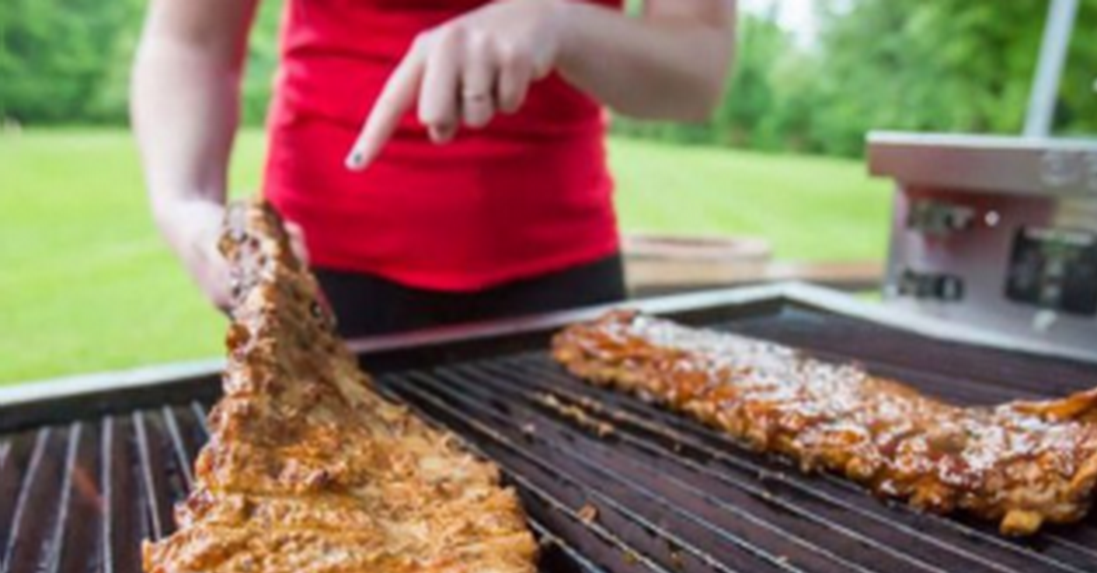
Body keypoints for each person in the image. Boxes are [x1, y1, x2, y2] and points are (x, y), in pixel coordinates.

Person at [133, 0, 736, 338]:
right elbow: (191, 42)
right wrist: (185, 205)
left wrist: (561, 25)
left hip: (560, 275)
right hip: (323, 273)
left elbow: (697, 71)